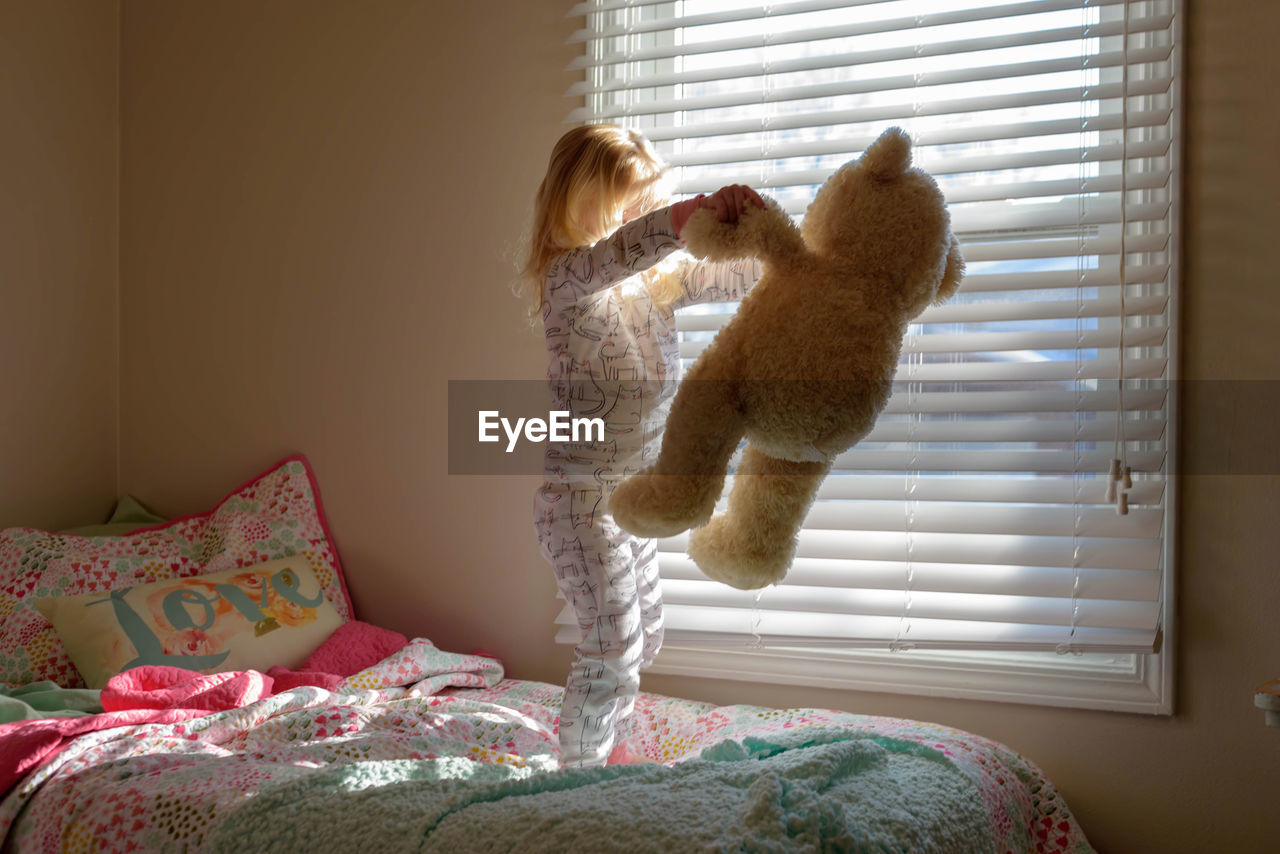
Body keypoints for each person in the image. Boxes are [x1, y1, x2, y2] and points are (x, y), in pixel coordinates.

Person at [517, 123, 765, 767]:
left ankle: (610, 747)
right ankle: (575, 777)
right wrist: (683, 217)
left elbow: (734, 279)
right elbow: (623, 251)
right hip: (577, 505)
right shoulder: (568, 281)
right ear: (580, 199)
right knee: (612, 642)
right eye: (629, 201)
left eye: (649, 201)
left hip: (629, 499)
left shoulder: (653, 285)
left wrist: (761, 232)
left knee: (646, 634)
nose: (643, 216)